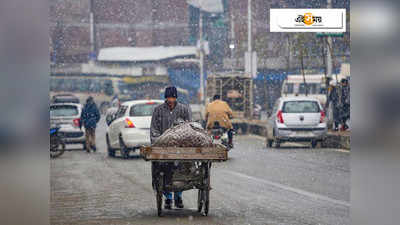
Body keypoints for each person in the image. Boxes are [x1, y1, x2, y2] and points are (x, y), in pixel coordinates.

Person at [150, 86, 192, 209]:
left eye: (173, 97)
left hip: (180, 147)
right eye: (168, 97)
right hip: (163, 147)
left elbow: (189, 126)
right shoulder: (158, 110)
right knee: (161, 170)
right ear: (165, 97)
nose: (171, 100)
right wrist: (159, 141)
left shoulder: (183, 109)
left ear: (176, 97)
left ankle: (178, 196)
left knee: (181, 169)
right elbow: (154, 128)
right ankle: (168, 197)